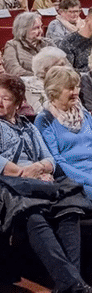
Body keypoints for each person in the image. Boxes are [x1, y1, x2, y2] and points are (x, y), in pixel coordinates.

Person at [0, 74, 92, 293]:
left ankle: (68, 285)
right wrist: (27, 174)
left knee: (70, 209)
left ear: (17, 104)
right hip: (10, 185)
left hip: (41, 180)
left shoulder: (27, 124)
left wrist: (40, 169)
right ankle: (75, 286)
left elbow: (50, 160)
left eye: (5, 99)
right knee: (33, 215)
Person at [34, 66, 92, 198]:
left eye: (77, 87)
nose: (76, 92)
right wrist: (88, 179)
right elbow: (57, 161)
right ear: (54, 91)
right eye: (70, 88)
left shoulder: (84, 114)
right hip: (72, 178)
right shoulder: (44, 120)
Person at [25, 47, 70, 115]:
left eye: (65, 65)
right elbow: (40, 111)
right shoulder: (31, 87)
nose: (66, 69)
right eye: (60, 65)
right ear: (45, 70)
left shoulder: (66, 84)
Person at [3, 11, 50, 76]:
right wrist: (40, 77)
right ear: (23, 30)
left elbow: (65, 64)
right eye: (36, 28)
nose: (41, 31)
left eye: (41, 27)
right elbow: (14, 70)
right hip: (28, 82)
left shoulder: (48, 43)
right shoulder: (12, 45)